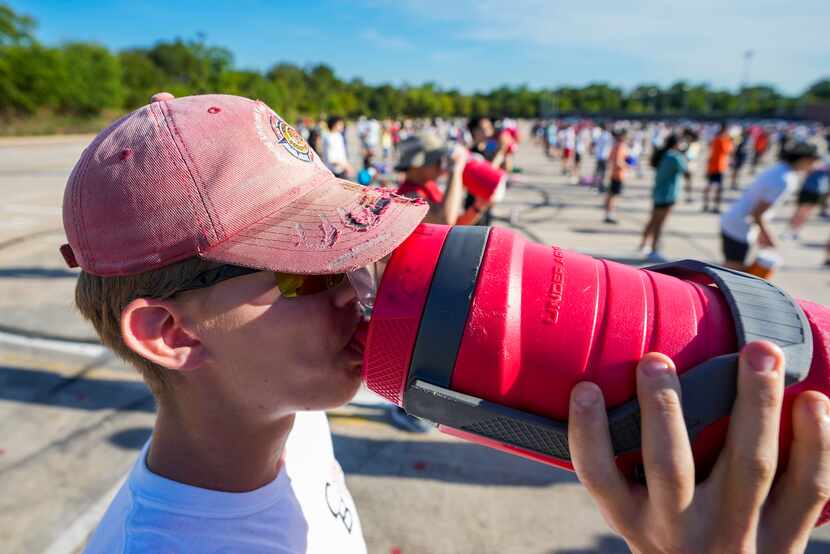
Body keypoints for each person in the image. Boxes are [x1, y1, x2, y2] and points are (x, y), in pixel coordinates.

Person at [62, 94, 830, 554]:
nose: (360, 290)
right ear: (171, 333)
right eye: (308, 272)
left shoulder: (286, 417)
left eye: (358, 252)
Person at [720, 141, 820, 271]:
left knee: (733, 267)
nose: (814, 166)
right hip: (739, 226)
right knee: (733, 269)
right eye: (813, 162)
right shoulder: (784, 179)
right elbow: (757, 213)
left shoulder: (780, 169)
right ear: (804, 159)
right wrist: (767, 235)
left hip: (735, 220)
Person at [639, 134, 690, 261]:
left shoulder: (663, 154)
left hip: (658, 192)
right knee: (660, 223)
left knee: (652, 220)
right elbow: (686, 171)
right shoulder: (675, 157)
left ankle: (643, 244)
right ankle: (654, 249)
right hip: (668, 194)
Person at [785, 160, 830, 240]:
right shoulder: (822, 160)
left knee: (805, 213)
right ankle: (789, 231)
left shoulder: (823, 162)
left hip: (817, 191)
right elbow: (806, 170)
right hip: (808, 190)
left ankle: (795, 231)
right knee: (800, 212)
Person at [703, 124, 734, 213]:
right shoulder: (723, 139)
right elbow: (727, 150)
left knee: (709, 186)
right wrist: (730, 141)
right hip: (719, 166)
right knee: (718, 188)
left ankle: (706, 205)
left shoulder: (715, 138)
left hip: (712, 165)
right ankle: (715, 206)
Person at [604, 129, 628, 224]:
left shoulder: (615, 145)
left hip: (614, 173)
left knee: (611, 195)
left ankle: (609, 213)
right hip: (618, 174)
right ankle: (610, 214)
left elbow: (610, 159)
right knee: (613, 196)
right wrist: (627, 166)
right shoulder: (620, 146)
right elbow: (618, 162)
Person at [592, 123, 612, 193]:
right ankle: (600, 186)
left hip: (599, 156)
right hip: (604, 156)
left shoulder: (599, 135)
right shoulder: (608, 135)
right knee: (603, 172)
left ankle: (595, 184)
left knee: (598, 171)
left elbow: (595, 144)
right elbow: (611, 145)